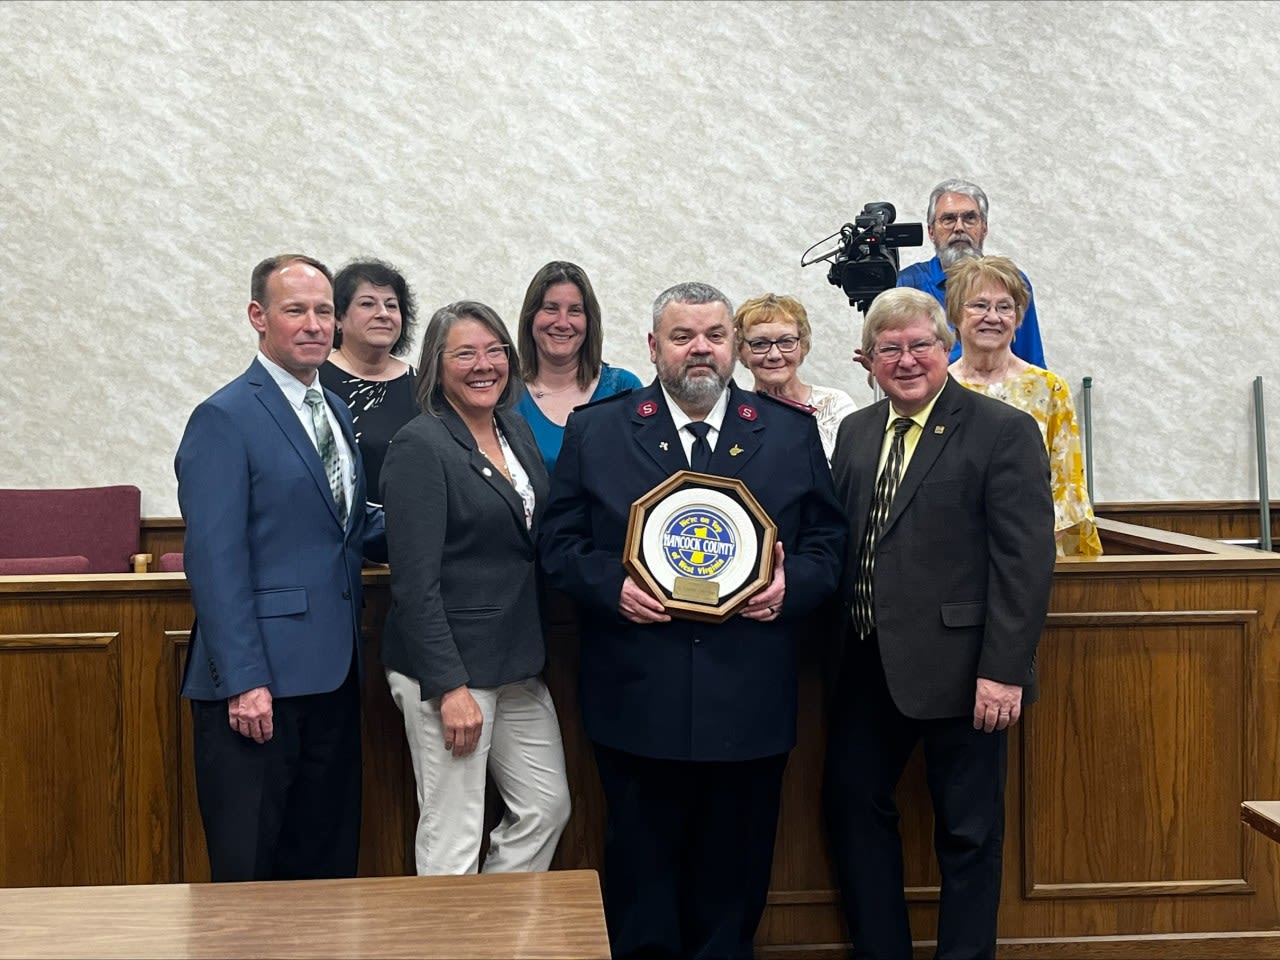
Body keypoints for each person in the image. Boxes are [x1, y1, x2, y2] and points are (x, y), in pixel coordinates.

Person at [540, 281, 847, 960]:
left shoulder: (789, 434)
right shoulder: (599, 429)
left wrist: (791, 585)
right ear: (654, 347)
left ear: (734, 345)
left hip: (749, 693)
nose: (699, 349)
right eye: (682, 336)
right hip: (637, 695)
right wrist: (611, 587)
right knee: (642, 875)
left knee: (734, 878)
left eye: (713, 335)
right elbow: (559, 545)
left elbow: (830, 544)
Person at [824, 287, 1056, 959]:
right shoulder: (857, 430)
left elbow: (1025, 562)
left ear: (946, 347)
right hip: (865, 665)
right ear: (867, 360)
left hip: (966, 674)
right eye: (889, 349)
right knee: (854, 815)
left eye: (919, 344)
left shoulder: (1002, 430)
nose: (906, 360)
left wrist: (1004, 672)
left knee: (968, 835)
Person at [175, 254, 386, 882]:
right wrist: (244, 680)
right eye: (296, 310)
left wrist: (462, 518)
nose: (315, 324)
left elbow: (349, 528)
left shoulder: (336, 411)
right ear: (258, 317)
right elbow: (214, 560)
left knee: (325, 868)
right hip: (258, 685)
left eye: (325, 311)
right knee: (250, 877)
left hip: (336, 675)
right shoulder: (224, 417)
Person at [380, 300, 570, 876]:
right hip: (450, 668)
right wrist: (449, 686)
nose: (483, 365)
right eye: (465, 353)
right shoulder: (421, 445)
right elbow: (414, 583)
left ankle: (491, 930)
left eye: (494, 351)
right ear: (436, 368)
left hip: (516, 659)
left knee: (545, 807)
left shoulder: (513, 426)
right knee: (453, 831)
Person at [946, 255, 1103, 557]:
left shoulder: (1050, 389)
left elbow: (1067, 486)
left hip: (1032, 554)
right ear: (955, 314)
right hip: (952, 556)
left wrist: (1022, 547)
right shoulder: (938, 389)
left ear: (1018, 319)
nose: (992, 317)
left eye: (1005, 307)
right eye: (979, 305)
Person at [898, 178, 1046, 366]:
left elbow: (1031, 362)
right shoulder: (908, 285)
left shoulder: (1010, 282)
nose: (959, 228)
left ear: (984, 228)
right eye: (948, 219)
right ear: (931, 232)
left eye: (969, 218)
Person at [513, 260, 642, 472]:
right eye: (550, 308)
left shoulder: (624, 389)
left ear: (589, 321)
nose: (563, 323)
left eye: (574, 311)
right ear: (530, 317)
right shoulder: (504, 395)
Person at [318, 259, 420, 507]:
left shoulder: (423, 384)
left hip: (411, 530)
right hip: (335, 532)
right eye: (367, 304)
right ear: (338, 318)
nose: (383, 314)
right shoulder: (314, 381)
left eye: (391, 305)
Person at [733, 292, 857, 464]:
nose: (774, 355)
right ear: (740, 350)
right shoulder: (734, 414)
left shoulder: (836, 406)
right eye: (760, 344)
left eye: (786, 342)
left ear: (803, 345)